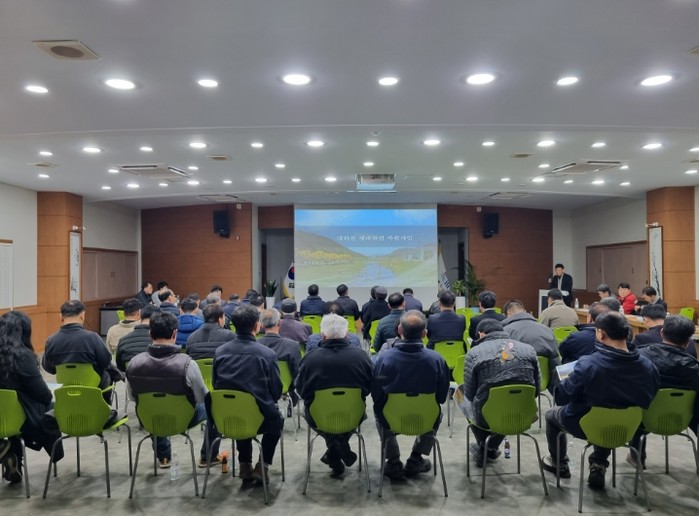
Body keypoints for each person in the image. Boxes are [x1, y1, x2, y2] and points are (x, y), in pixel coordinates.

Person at [541, 312, 660, 489]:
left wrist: (561, 380)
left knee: (552, 416)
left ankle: (559, 464)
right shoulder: (648, 366)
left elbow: (562, 397)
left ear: (601, 333)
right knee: (610, 412)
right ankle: (598, 463)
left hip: (584, 423)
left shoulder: (588, 364)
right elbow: (651, 395)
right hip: (629, 427)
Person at [126, 312, 220, 469]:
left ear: (150, 334)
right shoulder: (188, 364)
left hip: (149, 419)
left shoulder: (134, 363)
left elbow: (133, 397)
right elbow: (201, 398)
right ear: (175, 333)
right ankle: (208, 456)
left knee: (152, 406)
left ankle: (163, 457)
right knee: (214, 406)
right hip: (184, 418)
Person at [372, 310, 450, 481]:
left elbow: (376, 395)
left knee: (379, 412)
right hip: (425, 418)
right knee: (437, 412)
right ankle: (416, 458)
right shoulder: (437, 360)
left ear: (400, 330)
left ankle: (393, 461)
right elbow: (441, 397)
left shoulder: (384, 359)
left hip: (391, 418)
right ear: (424, 333)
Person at [213, 304, 283, 484]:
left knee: (239, 409)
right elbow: (276, 390)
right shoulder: (267, 354)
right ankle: (263, 465)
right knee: (277, 419)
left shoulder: (220, 352)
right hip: (259, 419)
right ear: (256, 325)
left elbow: (215, 385)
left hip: (227, 418)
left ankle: (244, 464)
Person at [296, 314, 373, 476]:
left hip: (318, 416)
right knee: (352, 415)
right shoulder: (361, 357)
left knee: (314, 413)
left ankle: (334, 451)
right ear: (347, 335)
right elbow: (369, 388)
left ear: (322, 335)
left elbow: (301, 391)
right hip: (353, 414)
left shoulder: (310, 359)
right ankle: (341, 448)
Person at [462, 319, 539, 466]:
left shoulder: (474, 353)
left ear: (481, 334)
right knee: (507, 403)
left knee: (462, 396)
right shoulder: (529, 350)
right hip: (523, 413)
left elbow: (470, 394)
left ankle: (485, 446)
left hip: (487, 415)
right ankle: (490, 447)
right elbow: (536, 390)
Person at [0, 311, 63, 484]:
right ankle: (53, 453)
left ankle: (9, 454)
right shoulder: (22, 356)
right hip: (19, 418)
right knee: (46, 410)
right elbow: (41, 393)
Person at [628, 315, 699, 468]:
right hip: (681, 420)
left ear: (662, 333)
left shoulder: (640, 357)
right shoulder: (694, 368)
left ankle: (637, 455)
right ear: (688, 341)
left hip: (644, 419)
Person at [42, 300, 122, 401]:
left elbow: (48, 368)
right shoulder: (93, 338)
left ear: (61, 316)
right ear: (82, 315)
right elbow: (105, 362)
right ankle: (104, 406)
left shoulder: (51, 341)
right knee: (108, 373)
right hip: (94, 385)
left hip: (65, 385)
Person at [501, 299, 559, 393]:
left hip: (515, 384)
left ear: (508, 313)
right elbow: (555, 360)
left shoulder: (505, 331)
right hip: (543, 382)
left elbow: (503, 360)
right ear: (524, 311)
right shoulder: (547, 330)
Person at [257, 308, 302, 404]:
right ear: (279, 323)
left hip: (261, 390)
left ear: (262, 325)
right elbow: (298, 373)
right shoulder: (292, 346)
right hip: (286, 388)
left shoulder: (255, 345)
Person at [115, 304, 159, 372]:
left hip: (131, 377)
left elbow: (120, 367)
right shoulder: (160, 340)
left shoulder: (123, 340)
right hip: (156, 376)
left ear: (140, 316)